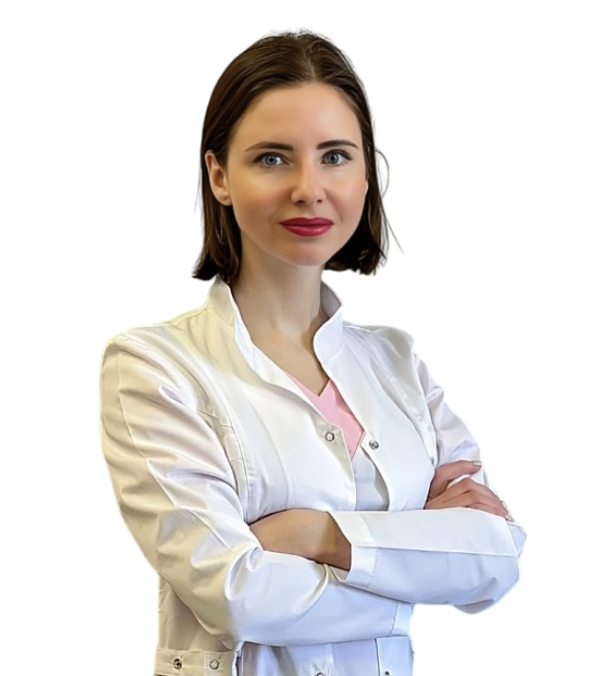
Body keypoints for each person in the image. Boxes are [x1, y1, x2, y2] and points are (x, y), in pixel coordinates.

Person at [100, 30, 526, 676]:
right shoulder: (155, 368)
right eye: (272, 158)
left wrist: (315, 534)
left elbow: (495, 556)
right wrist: (419, 573)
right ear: (219, 176)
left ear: (365, 174)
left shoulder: (397, 363)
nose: (308, 187)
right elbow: (237, 595)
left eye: (335, 156)